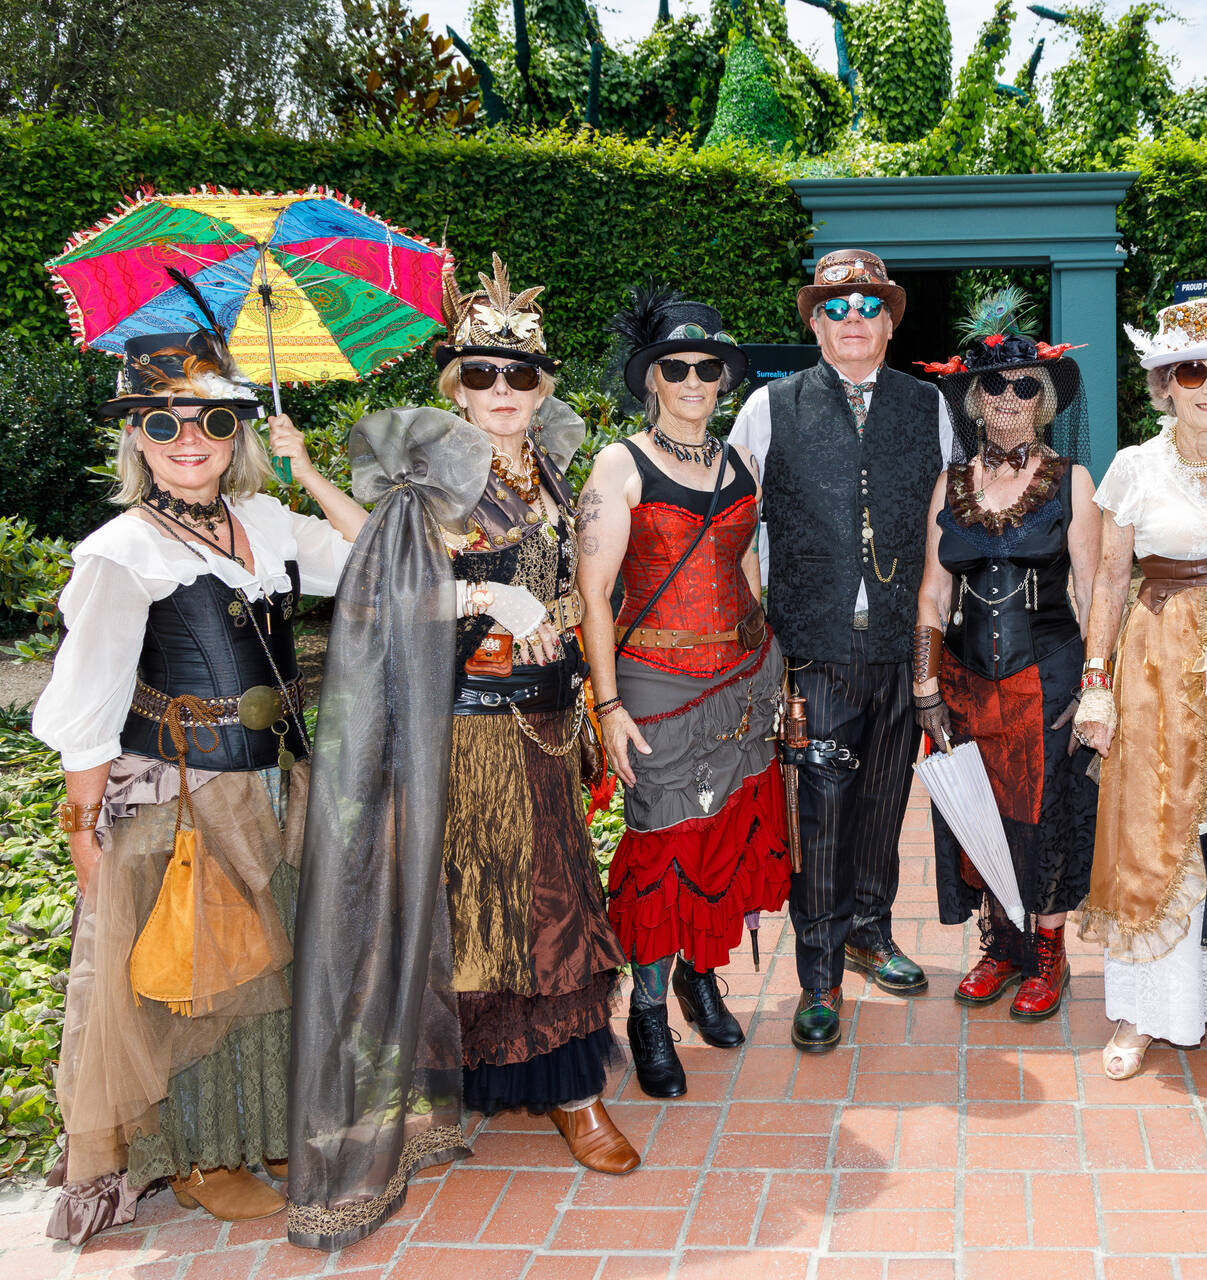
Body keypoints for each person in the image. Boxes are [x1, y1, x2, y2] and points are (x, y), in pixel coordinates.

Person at [287, 255, 634, 1252]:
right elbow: (384, 574)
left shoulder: (554, 469)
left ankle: (565, 1087)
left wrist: (570, 641)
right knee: (487, 902)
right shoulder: (434, 472)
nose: (502, 392)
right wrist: (484, 594)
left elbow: (576, 582)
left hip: (549, 723)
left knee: (553, 891)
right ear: (456, 386)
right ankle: (552, 1093)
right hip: (470, 725)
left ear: (544, 388)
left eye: (520, 375)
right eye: (482, 375)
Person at [31, 324, 365, 1241]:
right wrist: (85, 833)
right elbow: (89, 702)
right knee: (197, 977)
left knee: (269, 961)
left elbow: (371, 557)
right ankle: (201, 1156)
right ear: (134, 436)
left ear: (238, 432)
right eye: (163, 421)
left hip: (274, 785)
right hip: (180, 796)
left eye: (214, 420)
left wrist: (308, 472)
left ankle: (267, 1128)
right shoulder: (122, 551)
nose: (190, 440)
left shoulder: (263, 521)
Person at [726, 249, 952, 1052]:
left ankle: (869, 932)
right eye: (836, 307)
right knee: (819, 816)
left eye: (868, 307)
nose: (853, 320)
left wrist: (934, 645)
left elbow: (946, 528)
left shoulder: (929, 405)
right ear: (815, 324)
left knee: (885, 804)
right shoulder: (768, 407)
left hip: (896, 644)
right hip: (811, 649)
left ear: (890, 324)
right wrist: (760, 633)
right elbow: (733, 532)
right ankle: (819, 973)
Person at [578, 286, 789, 1097]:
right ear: (652, 379)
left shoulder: (738, 463)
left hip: (741, 679)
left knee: (725, 830)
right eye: (677, 368)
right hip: (655, 684)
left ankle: (701, 978)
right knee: (664, 842)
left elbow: (744, 566)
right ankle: (648, 1012)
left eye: (708, 367)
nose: (694, 380)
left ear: (723, 378)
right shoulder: (620, 465)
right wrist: (607, 706)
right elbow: (593, 595)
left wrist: (769, 665)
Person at [1074, 296, 1207, 1078]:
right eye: (1190, 372)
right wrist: (1095, 682)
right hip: (1158, 668)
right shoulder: (1134, 466)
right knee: (1154, 825)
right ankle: (1144, 1011)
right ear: (1164, 384)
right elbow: (1108, 580)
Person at [908, 289, 1100, 1020]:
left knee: (1046, 814)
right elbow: (932, 593)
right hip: (965, 681)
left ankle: (1047, 953)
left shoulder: (1072, 481)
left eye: (1025, 387)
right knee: (980, 809)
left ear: (1044, 401)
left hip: (1046, 676)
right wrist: (925, 685)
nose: (1010, 399)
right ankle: (1002, 945)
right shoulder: (950, 483)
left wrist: (1097, 683)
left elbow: (1095, 591)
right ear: (975, 399)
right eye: (995, 386)